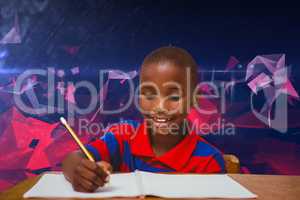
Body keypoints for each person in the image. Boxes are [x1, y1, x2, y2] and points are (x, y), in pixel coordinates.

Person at [62, 46, 225, 192]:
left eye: (174, 97)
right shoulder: (122, 136)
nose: (160, 107)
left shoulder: (209, 161)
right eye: (149, 95)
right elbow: (73, 159)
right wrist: (81, 171)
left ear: (194, 100)